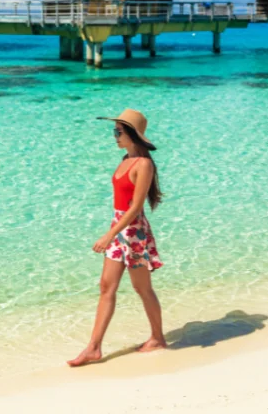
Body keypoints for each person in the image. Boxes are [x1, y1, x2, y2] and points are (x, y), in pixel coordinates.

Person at [68, 108, 165, 367]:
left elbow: (135, 207)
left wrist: (110, 234)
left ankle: (157, 337)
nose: (114, 136)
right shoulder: (124, 159)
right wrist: (113, 230)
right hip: (119, 225)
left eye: (118, 131)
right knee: (106, 287)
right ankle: (93, 348)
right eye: (115, 131)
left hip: (133, 231)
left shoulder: (143, 164)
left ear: (132, 134)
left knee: (141, 288)